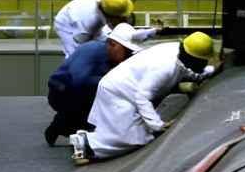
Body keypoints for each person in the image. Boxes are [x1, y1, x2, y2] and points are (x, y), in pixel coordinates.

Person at [70, 32, 217, 163]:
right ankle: (85, 145)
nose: (204, 64)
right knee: (132, 138)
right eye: (202, 61)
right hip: (119, 91)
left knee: (130, 133)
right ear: (193, 58)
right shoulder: (166, 67)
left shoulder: (178, 52)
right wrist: (158, 125)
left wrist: (208, 73)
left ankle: (88, 141)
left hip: (124, 88)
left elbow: (186, 70)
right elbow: (142, 97)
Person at [44, 23, 140, 146]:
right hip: (61, 92)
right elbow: (78, 81)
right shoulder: (90, 50)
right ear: (112, 44)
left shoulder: (118, 58)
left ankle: (71, 125)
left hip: (81, 94)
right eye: (126, 51)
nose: (128, 55)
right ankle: (61, 124)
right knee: (89, 117)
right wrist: (112, 78)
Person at [51, 0, 157, 58]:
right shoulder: (87, 23)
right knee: (81, 56)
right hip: (68, 22)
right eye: (120, 18)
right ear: (109, 16)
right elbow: (80, 51)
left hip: (84, 12)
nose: (124, 20)